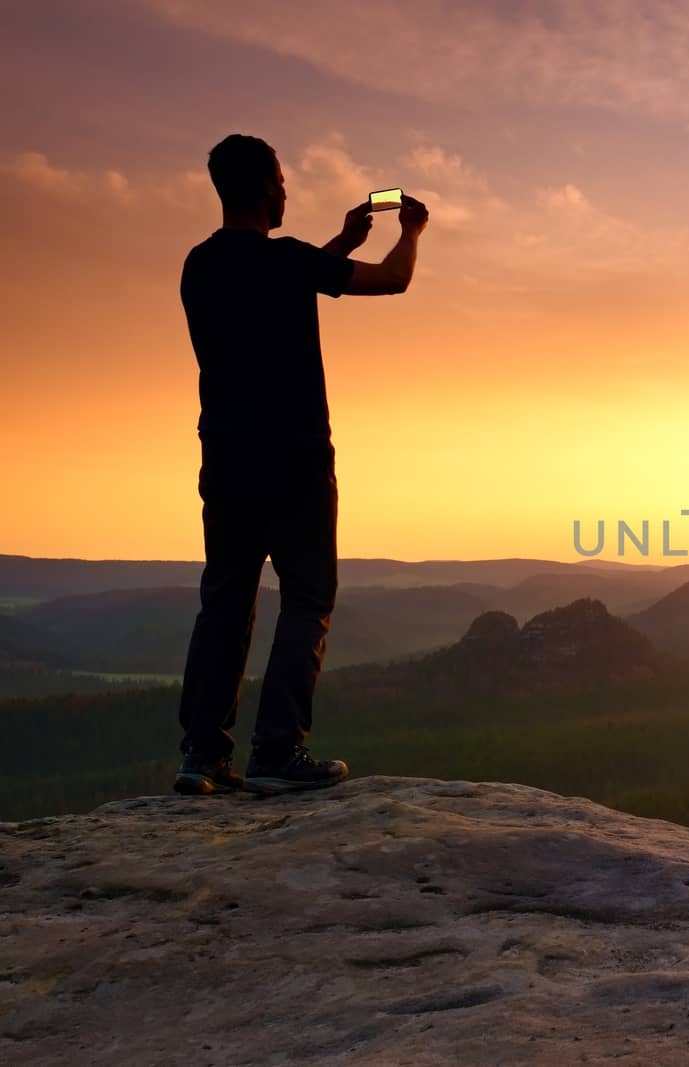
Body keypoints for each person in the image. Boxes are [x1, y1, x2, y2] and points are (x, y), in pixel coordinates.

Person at [173, 133, 428, 796]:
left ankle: (202, 756)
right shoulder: (287, 263)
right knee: (307, 598)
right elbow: (394, 279)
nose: (288, 190)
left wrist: (340, 243)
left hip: (225, 457)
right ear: (263, 186)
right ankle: (277, 750)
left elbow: (279, 284)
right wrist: (411, 231)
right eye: (282, 179)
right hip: (294, 458)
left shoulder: (197, 266)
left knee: (225, 599)